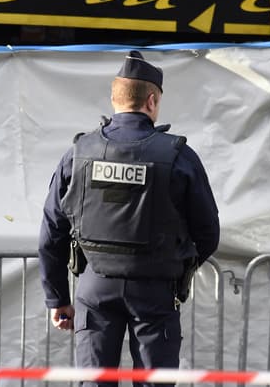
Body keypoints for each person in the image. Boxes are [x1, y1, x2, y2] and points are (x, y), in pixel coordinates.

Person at [37, 50, 220, 387]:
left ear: (114, 98)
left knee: (94, 382)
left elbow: (51, 232)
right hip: (155, 289)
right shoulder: (178, 155)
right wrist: (178, 267)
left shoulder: (79, 153)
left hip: (94, 288)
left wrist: (57, 298)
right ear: (152, 101)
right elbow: (208, 232)